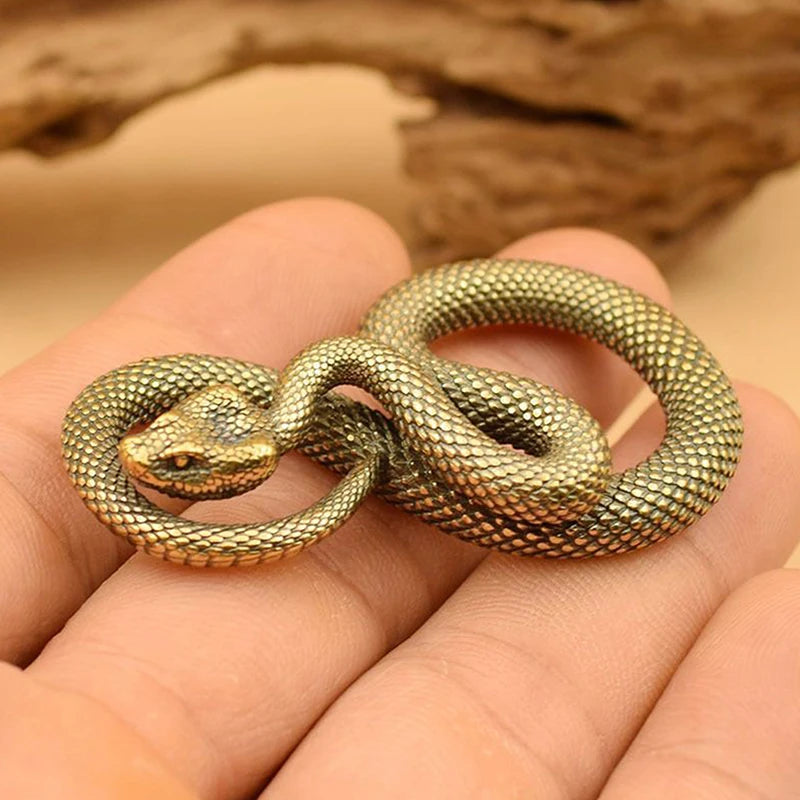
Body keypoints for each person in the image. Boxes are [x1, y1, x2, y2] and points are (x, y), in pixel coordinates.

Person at [1, 198, 798, 799]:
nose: (148, 460)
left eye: (180, 462)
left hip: (488, 418)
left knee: (562, 461)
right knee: (418, 377)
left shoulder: (344, 380)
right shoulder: (332, 382)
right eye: (174, 456)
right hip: (386, 382)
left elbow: (567, 479)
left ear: (252, 451)